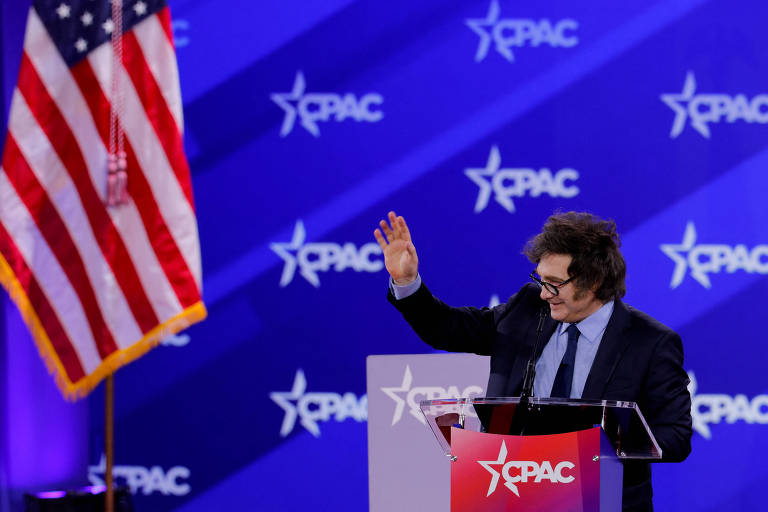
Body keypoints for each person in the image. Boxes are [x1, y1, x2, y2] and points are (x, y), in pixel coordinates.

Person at [374, 210, 692, 512]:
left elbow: (675, 437)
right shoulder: (527, 308)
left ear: (593, 281)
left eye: (554, 283)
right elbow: (448, 329)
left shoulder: (650, 342)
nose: (543, 293)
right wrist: (407, 283)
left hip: (600, 503)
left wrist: (600, 446)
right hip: (510, 498)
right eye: (541, 279)